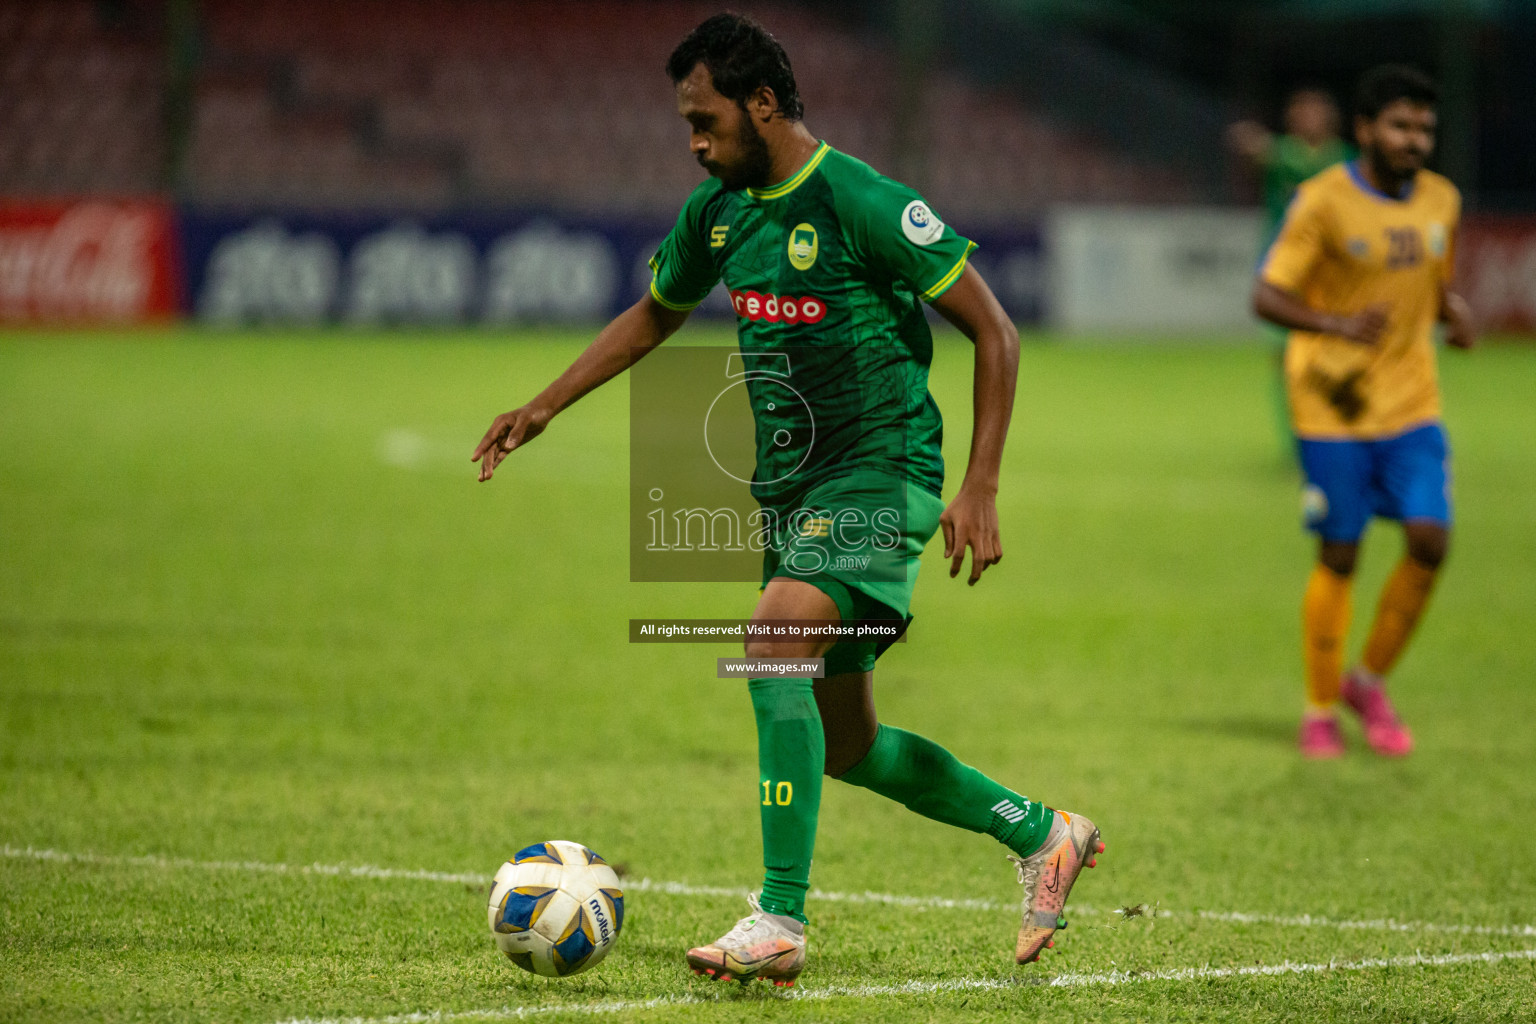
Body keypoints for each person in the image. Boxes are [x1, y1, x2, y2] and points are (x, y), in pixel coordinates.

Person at [472, 13, 1101, 987]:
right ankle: (1040, 831)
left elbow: (997, 330)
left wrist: (980, 485)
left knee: (769, 644)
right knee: (846, 743)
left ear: (763, 103)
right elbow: (652, 315)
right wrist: (544, 404)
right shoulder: (718, 212)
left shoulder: (860, 199)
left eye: (705, 117)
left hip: (881, 470)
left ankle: (780, 918)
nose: (694, 139)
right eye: (686, 122)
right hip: (792, 494)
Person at [1252, 65, 1476, 759]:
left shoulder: (1442, 200)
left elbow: (1431, 279)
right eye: (1401, 126)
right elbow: (1266, 297)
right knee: (1341, 551)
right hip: (1330, 404)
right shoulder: (1322, 201)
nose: (1415, 140)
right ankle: (1320, 707)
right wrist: (1335, 324)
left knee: (1430, 540)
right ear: (1366, 130)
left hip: (1411, 401)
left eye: (1425, 129)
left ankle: (1367, 681)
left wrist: (1453, 311)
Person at [1230, 88, 1351, 460]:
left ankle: (1334, 432)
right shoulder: (1285, 153)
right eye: (1300, 111)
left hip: (1333, 271)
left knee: (1334, 353)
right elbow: (1249, 146)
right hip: (1284, 272)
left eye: (1314, 111)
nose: (1306, 119)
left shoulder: (1344, 161)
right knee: (1285, 358)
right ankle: (1298, 439)